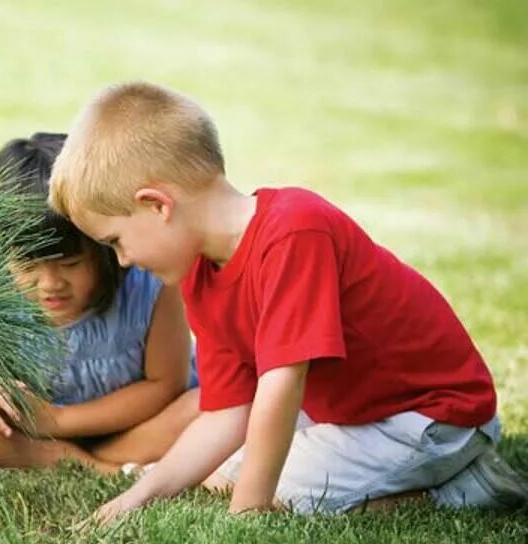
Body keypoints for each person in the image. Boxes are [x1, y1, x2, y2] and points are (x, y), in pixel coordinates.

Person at [47, 82, 528, 520]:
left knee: (283, 497)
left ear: (157, 205)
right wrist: (140, 495)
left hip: (427, 415)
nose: (124, 261)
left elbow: (281, 384)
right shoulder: (199, 276)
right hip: (347, 412)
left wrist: (250, 510)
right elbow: (225, 413)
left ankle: (466, 487)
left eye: (116, 241)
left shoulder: (295, 230)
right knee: (216, 477)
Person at [0, 132, 199, 474]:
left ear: (103, 243)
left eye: (71, 264)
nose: (51, 284)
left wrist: (56, 421)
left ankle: (98, 460)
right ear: (0, 253)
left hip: (139, 426)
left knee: (208, 405)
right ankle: (102, 468)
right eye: (28, 267)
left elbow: (165, 384)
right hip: (36, 435)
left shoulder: (150, 284)